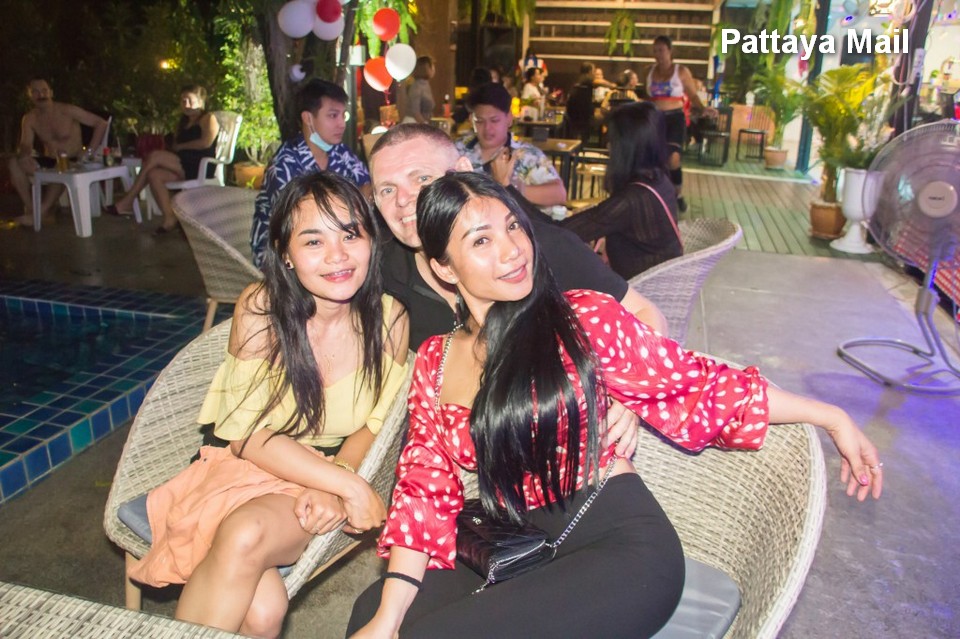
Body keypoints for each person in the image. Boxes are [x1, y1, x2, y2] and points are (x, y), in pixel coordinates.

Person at [346, 171, 884, 638]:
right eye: (481, 240)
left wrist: (830, 415)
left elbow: (696, 384)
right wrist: (389, 616)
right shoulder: (436, 360)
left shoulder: (582, 318)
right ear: (444, 268)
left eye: (513, 226)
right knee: (371, 611)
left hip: (619, 549)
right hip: (514, 540)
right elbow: (423, 490)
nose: (512, 250)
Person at [126, 172, 409, 638]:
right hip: (248, 464)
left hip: (324, 472)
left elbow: (374, 424)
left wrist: (338, 477)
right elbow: (247, 436)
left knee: (246, 538)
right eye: (313, 241)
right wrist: (350, 489)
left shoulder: (389, 318)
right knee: (260, 612)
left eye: (350, 234)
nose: (337, 255)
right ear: (286, 254)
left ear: (371, 241)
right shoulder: (263, 308)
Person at [370, 123, 666, 348]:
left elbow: (645, 314)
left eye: (422, 178)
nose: (402, 200)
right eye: (387, 190)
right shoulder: (383, 271)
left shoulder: (532, 249)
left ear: (462, 171)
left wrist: (624, 395)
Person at [251, 79, 372, 268]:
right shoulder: (284, 165)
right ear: (308, 118)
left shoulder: (340, 152)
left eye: (343, 115)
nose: (341, 124)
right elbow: (298, 224)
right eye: (333, 116)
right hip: (284, 255)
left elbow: (367, 186)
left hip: (333, 240)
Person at [562, 102, 683, 279]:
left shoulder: (632, 199)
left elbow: (563, 232)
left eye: (612, 140)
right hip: (660, 280)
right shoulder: (659, 179)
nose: (608, 146)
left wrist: (516, 194)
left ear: (626, 147)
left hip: (637, 287)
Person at [110, 84, 219, 234]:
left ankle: (128, 201)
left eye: (190, 100)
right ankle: (169, 219)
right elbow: (175, 145)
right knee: (154, 174)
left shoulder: (208, 118)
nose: (186, 104)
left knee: (154, 156)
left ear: (201, 101)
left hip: (199, 164)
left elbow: (206, 143)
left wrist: (181, 147)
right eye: (183, 101)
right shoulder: (183, 122)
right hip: (182, 163)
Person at [455, 82, 567, 219]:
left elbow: (559, 194)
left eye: (494, 120)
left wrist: (514, 188)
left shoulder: (526, 155)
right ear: (471, 120)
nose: (487, 128)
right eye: (479, 121)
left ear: (509, 119)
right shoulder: (457, 150)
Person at [8, 78, 108, 227]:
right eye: (35, 92)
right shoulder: (29, 118)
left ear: (51, 93)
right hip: (50, 158)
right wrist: (24, 156)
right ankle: (33, 209)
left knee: (61, 169)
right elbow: (25, 144)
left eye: (44, 91)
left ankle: (40, 212)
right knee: (14, 163)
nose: (41, 95)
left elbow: (101, 123)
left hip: (72, 159)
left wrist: (89, 152)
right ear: (30, 96)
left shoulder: (67, 110)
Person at [644, 35, 716, 213]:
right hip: (656, 118)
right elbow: (647, 97)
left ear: (670, 51)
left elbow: (692, 95)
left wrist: (703, 109)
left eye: (661, 50)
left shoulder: (681, 71)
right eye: (655, 51)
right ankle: (660, 194)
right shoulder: (650, 72)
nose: (658, 54)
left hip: (675, 118)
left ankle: (677, 193)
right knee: (655, 159)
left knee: (673, 157)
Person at [402, 56, 436, 124]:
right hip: (413, 124)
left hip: (421, 123)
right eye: (432, 66)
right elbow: (415, 112)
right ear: (426, 68)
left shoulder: (425, 84)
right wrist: (425, 124)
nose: (434, 69)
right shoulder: (417, 86)